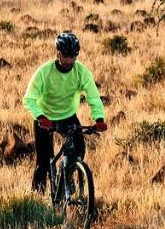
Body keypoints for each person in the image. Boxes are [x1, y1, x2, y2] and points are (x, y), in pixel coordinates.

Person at [22, 31, 107, 193]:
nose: (69, 60)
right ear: (58, 53)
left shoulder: (81, 72)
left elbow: (93, 97)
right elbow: (29, 99)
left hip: (67, 116)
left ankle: (66, 180)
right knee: (43, 162)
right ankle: (36, 199)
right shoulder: (44, 72)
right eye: (66, 56)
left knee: (78, 151)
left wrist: (99, 118)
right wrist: (40, 116)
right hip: (45, 119)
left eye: (73, 56)